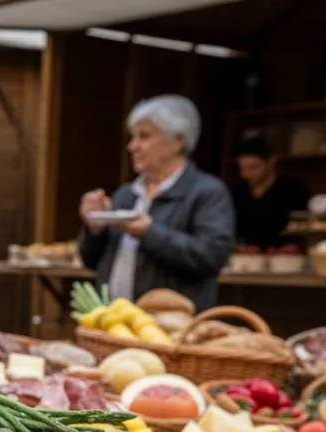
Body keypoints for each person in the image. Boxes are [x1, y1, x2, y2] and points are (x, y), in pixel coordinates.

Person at [79, 95, 234, 312]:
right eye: (133, 137)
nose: (132, 146)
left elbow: (211, 257)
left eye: (144, 137)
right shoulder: (126, 195)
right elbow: (90, 261)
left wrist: (149, 233)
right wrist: (94, 228)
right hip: (113, 324)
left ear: (178, 141)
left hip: (172, 329)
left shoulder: (207, 192)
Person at [231, 135, 309, 250]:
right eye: (242, 169)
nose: (246, 175)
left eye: (253, 168)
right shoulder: (237, 193)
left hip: (284, 257)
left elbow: (302, 228)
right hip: (246, 257)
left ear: (271, 161)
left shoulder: (293, 190)